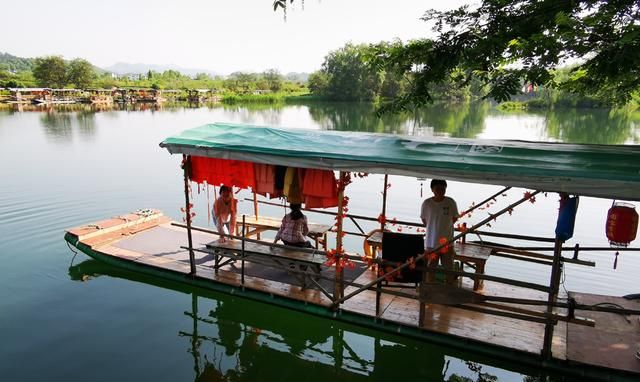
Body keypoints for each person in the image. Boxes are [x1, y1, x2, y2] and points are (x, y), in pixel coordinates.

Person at [420, 179, 459, 284]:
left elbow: (454, 218)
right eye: (438, 188)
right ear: (432, 189)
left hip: (447, 243)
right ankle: (430, 289)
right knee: (430, 268)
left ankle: (449, 290)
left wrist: (444, 228)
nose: (440, 191)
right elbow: (424, 220)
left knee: (449, 269)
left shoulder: (450, 202)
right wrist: (433, 228)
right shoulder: (427, 203)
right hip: (431, 243)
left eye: (443, 188)